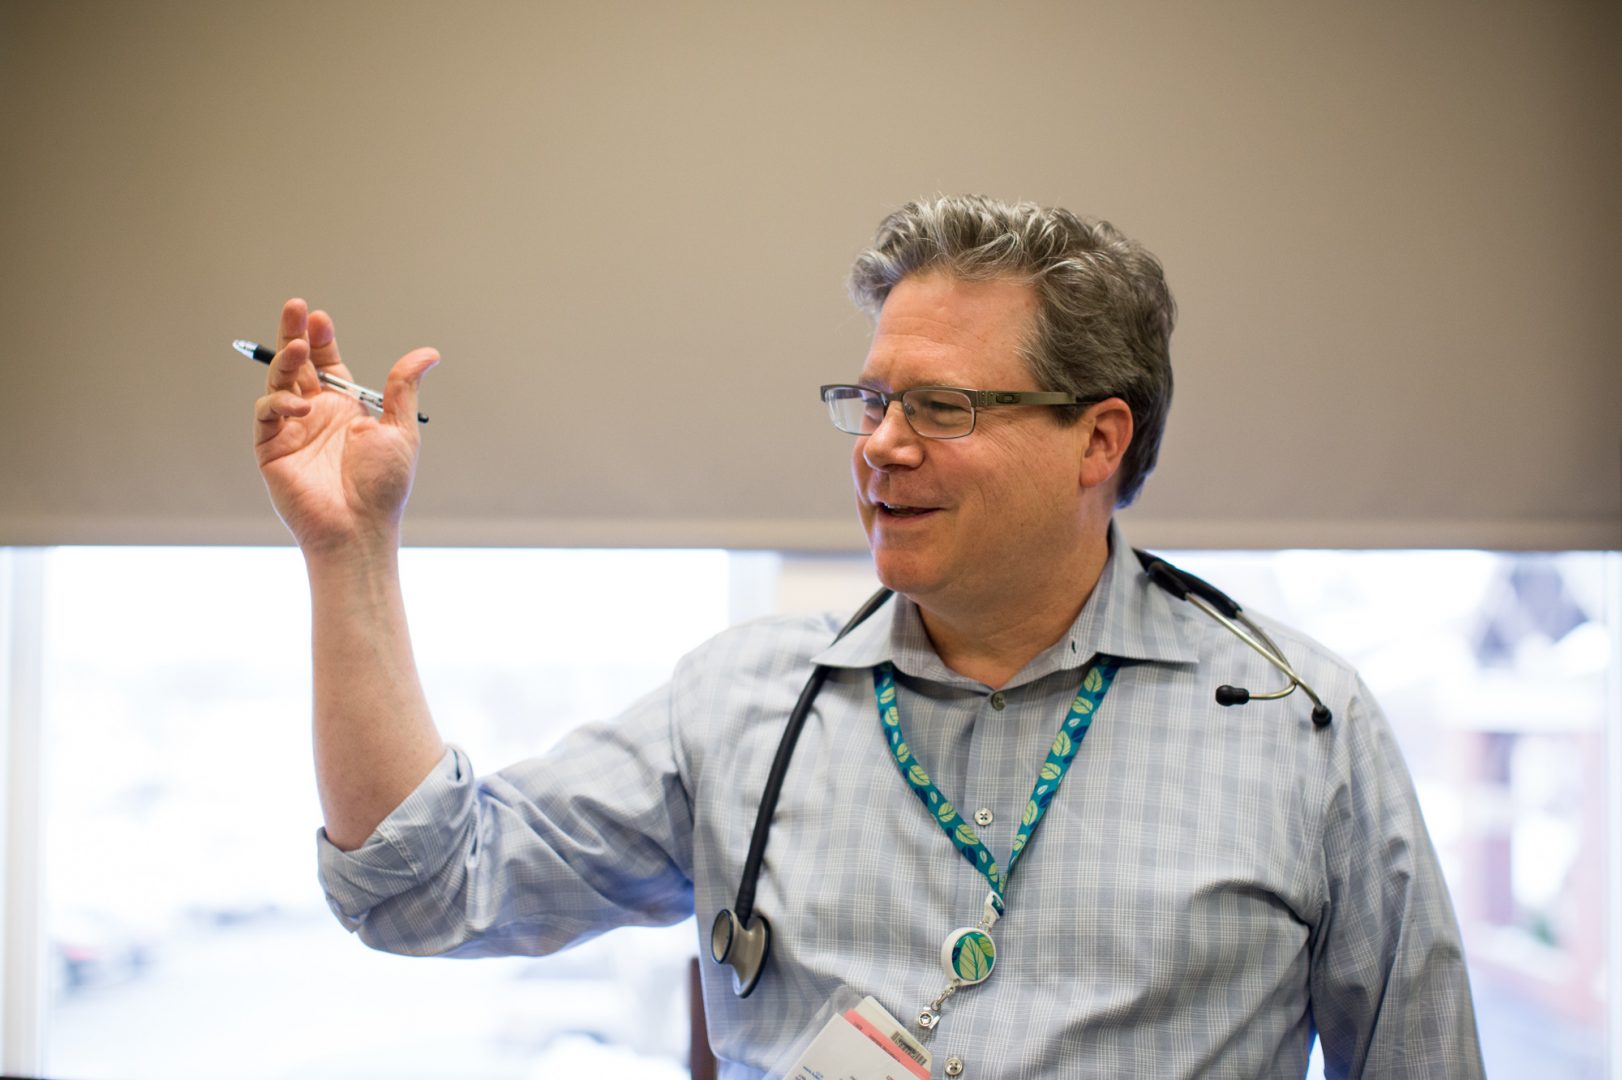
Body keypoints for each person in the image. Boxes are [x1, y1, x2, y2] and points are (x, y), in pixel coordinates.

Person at [254, 195, 1483, 1078]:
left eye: (940, 407)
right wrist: (349, 551)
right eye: (873, 399)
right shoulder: (744, 705)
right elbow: (422, 887)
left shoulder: (1298, 725)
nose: (882, 446)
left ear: (1097, 441)